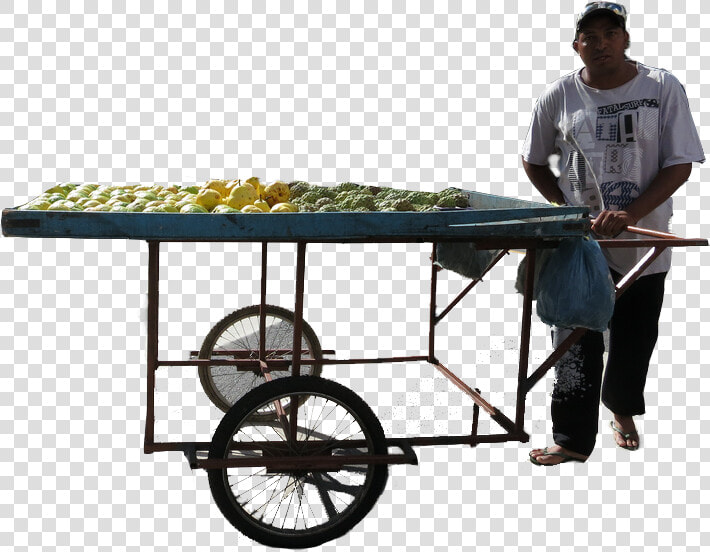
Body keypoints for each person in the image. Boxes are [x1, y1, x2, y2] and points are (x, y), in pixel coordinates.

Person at [521, 2, 705, 465]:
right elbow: (533, 158)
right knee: (573, 340)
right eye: (590, 35)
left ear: (625, 40)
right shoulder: (559, 96)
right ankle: (571, 438)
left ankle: (621, 409)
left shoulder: (660, 87)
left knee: (633, 339)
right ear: (576, 45)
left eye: (610, 33)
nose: (600, 42)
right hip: (580, 245)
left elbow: (679, 162)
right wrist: (564, 209)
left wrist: (629, 213)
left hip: (644, 239)